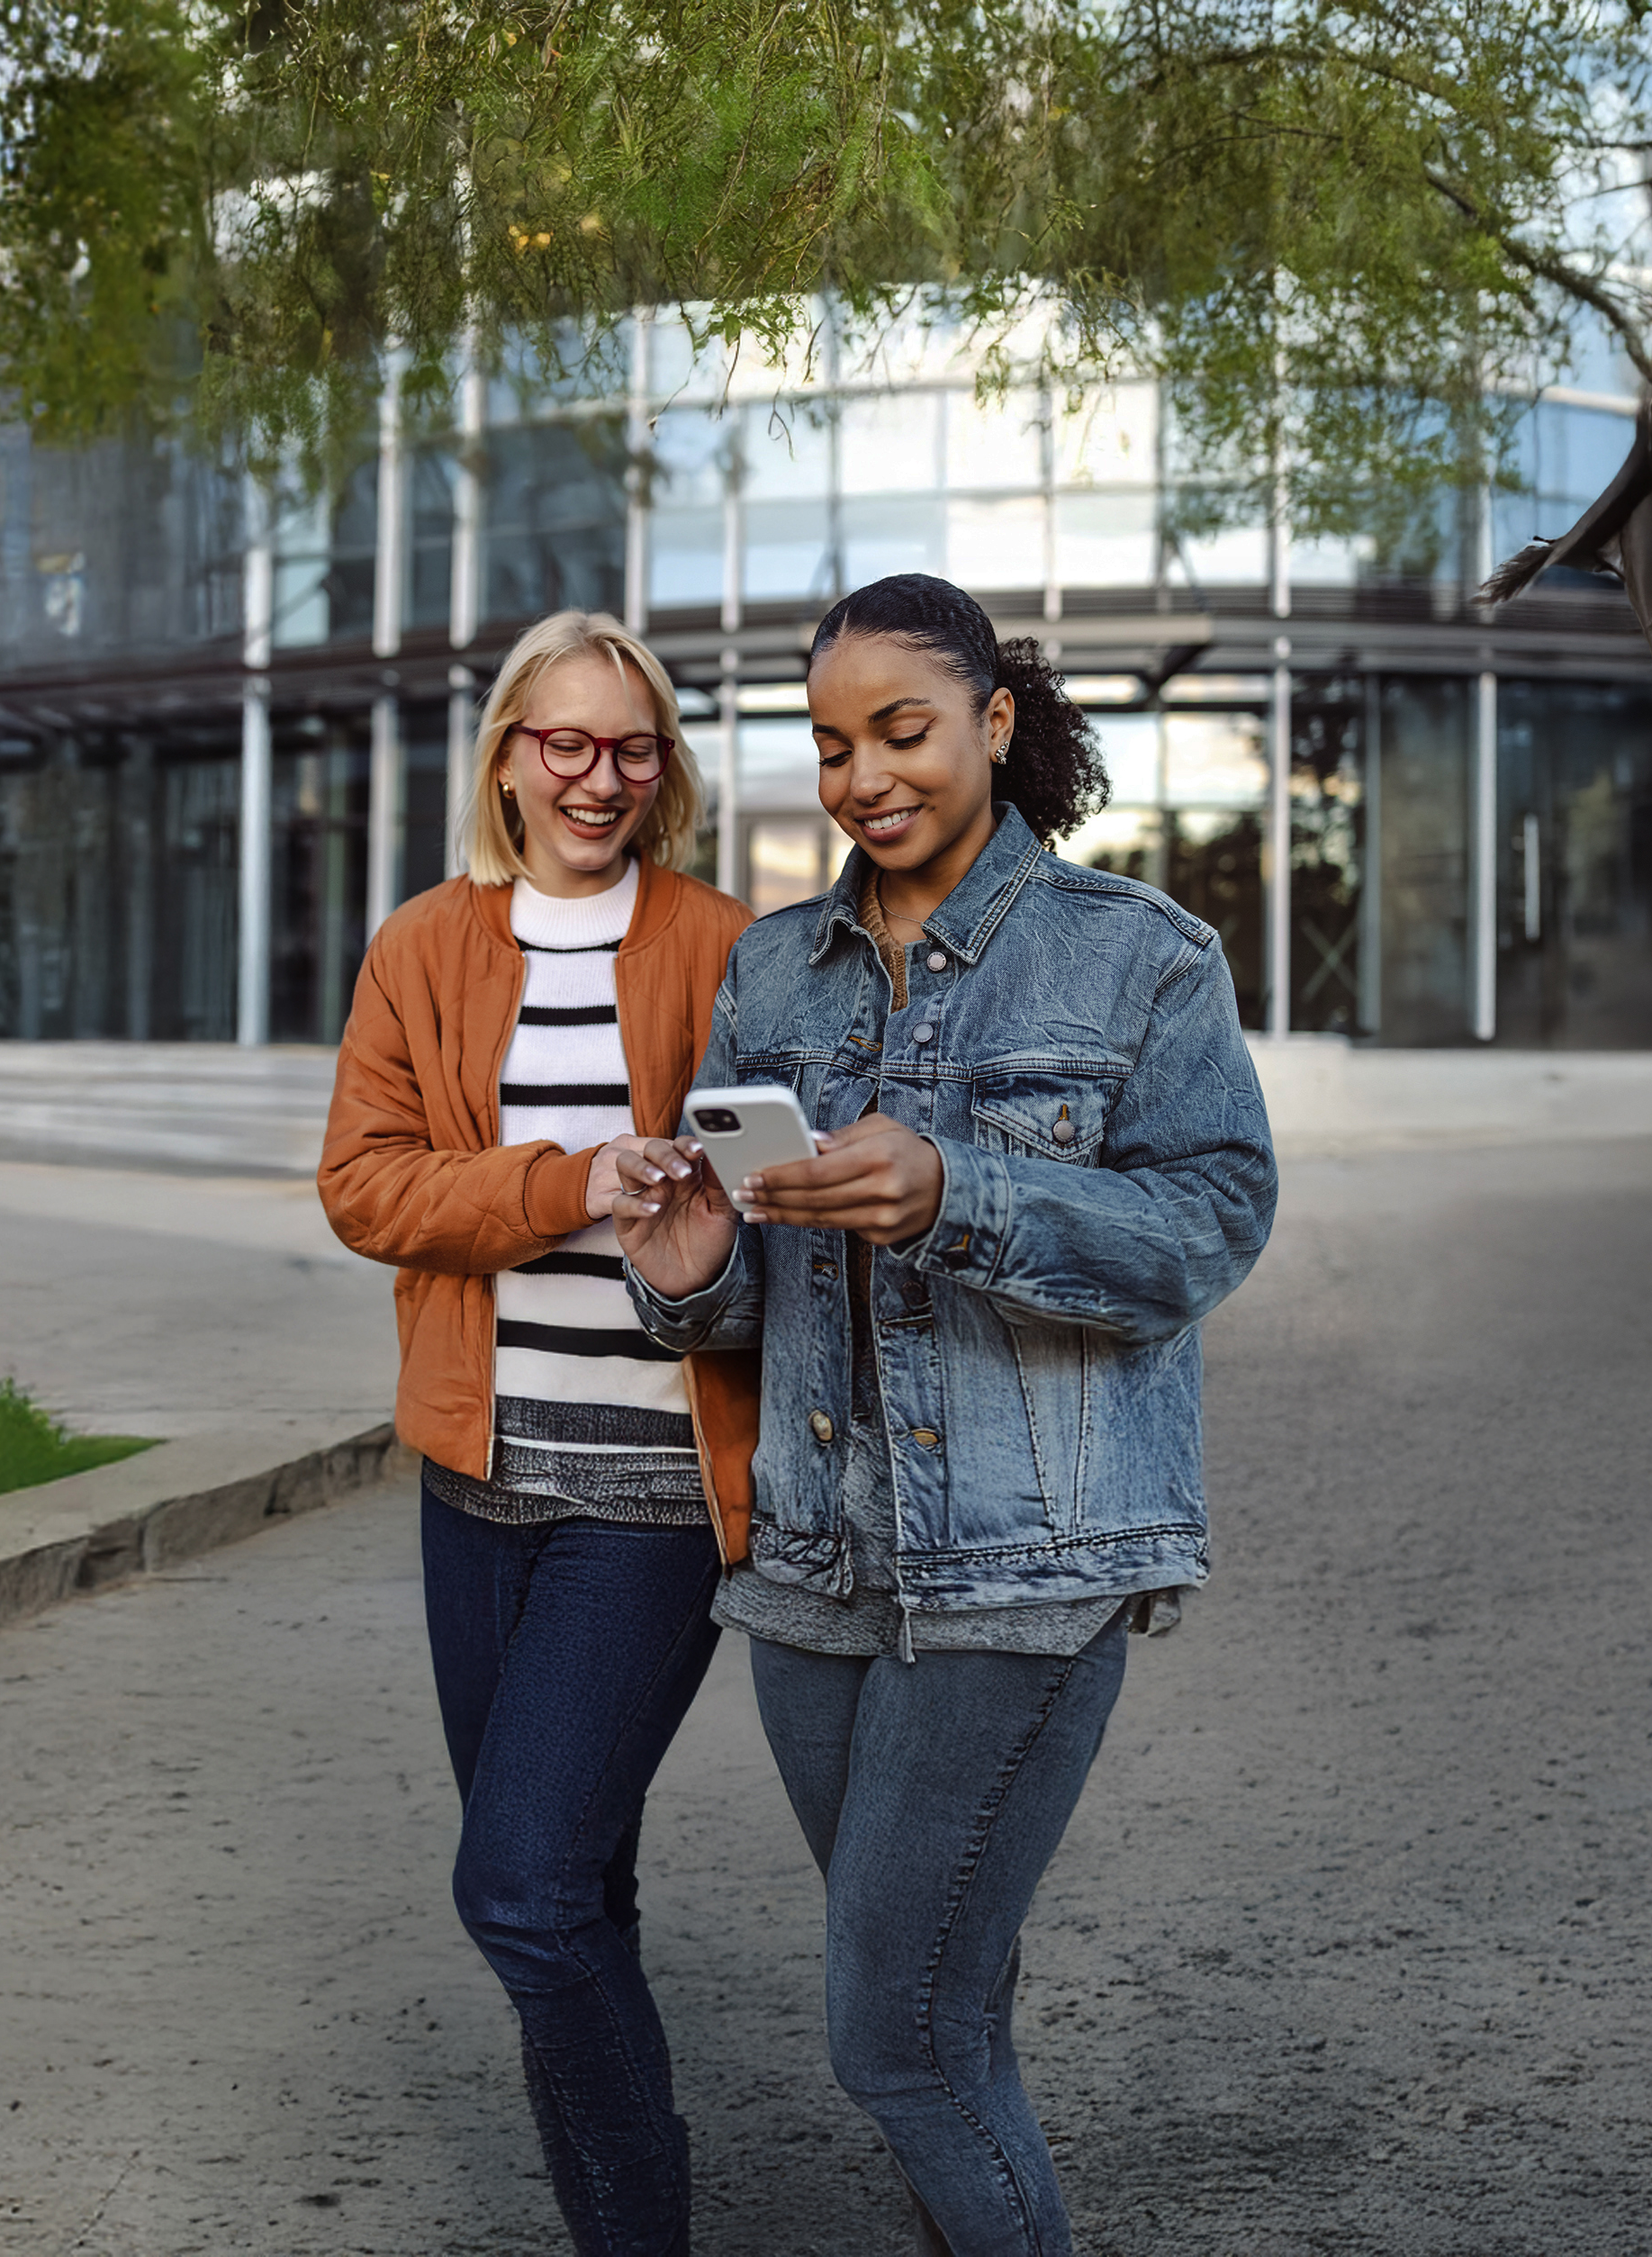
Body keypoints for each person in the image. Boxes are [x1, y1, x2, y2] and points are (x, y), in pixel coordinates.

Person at [604, 573, 1277, 2255]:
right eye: (830, 746)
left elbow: (1205, 1231)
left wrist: (958, 1194)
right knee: (943, 2007)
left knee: (891, 2033)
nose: (863, 778)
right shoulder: (773, 972)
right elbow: (758, 1294)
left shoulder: (1137, 960)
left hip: (1028, 1571)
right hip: (814, 1580)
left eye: (901, 731)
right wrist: (689, 1270)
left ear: (994, 722)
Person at [319, 609, 760, 2257]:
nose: (598, 779)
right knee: (579, 1895)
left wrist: (711, 1217)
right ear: (505, 758)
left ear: (668, 771)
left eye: (631, 748)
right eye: (563, 744)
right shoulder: (425, 944)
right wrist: (568, 1183)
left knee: (516, 1888)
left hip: (654, 1492)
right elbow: (364, 1184)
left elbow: (777, 1202)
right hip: (475, 1483)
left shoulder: (729, 944)